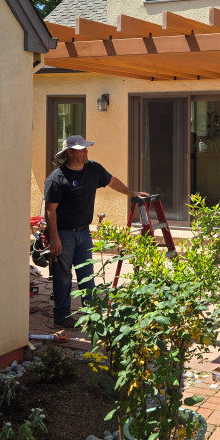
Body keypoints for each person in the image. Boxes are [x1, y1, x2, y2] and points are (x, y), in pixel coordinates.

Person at [44, 134, 146, 326]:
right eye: (82, 149)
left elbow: (112, 181)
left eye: (86, 148)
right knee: (63, 276)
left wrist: (132, 193)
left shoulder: (93, 169)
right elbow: (50, 209)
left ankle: (91, 316)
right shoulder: (57, 178)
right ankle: (62, 316)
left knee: (87, 274)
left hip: (84, 232)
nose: (86, 152)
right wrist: (54, 236)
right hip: (64, 234)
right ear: (70, 153)